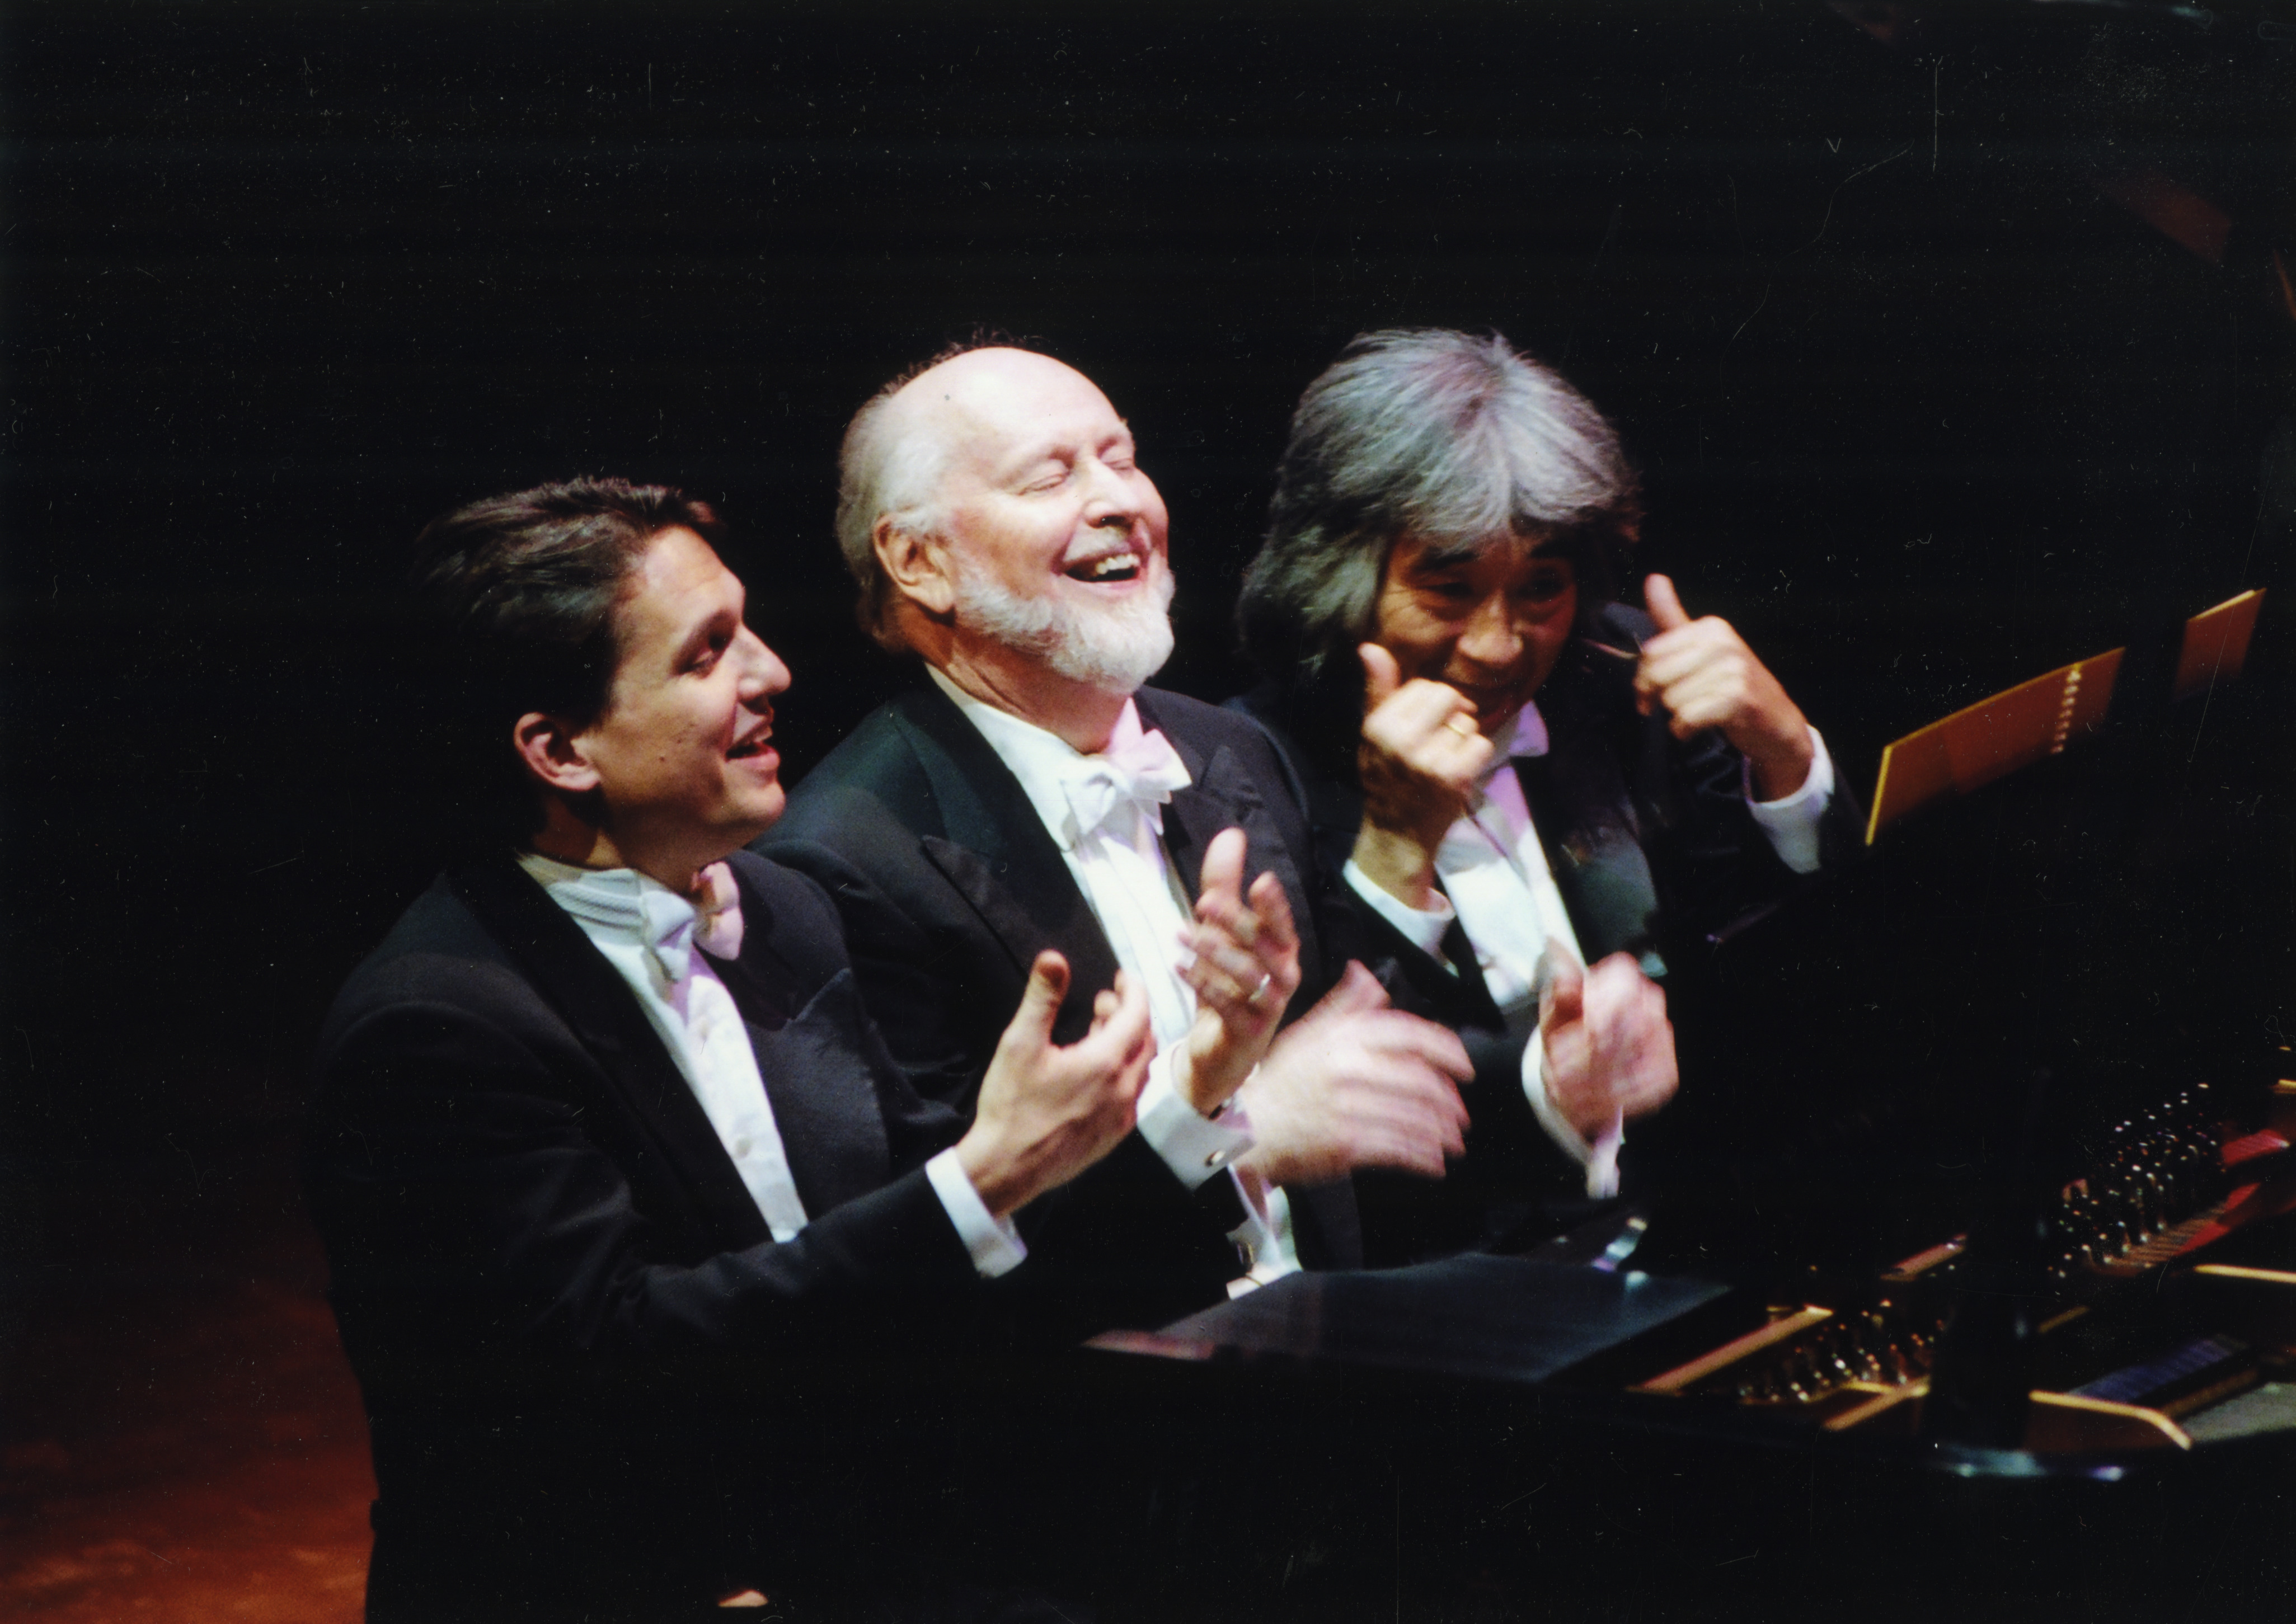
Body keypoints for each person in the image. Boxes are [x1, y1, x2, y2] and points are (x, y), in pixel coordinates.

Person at [306, 478, 1170, 1622]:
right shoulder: (436, 1031)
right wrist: (982, 1178)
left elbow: (907, 1269)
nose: (773, 672)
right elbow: (608, 1376)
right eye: (708, 653)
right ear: (559, 749)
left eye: (747, 629)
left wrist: (1183, 1108)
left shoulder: (785, 912)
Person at [762, 342, 1475, 1307]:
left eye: (1123, 458)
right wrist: (1230, 1128)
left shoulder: (1226, 747)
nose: (1119, 501)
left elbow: (1355, 1092)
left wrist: (1551, 1085)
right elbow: (946, 1272)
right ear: (919, 562)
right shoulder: (842, 857)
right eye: (1050, 477)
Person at [1230, 328, 1864, 1260]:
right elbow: (1337, 1139)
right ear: (1341, 575)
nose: (1499, 645)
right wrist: (1398, 847)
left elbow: (1806, 977)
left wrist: (1784, 754)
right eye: (1449, 591)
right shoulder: (1245, 765)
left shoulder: (1622, 672)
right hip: (1447, 1285)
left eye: (1541, 588)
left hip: (1707, 1232)